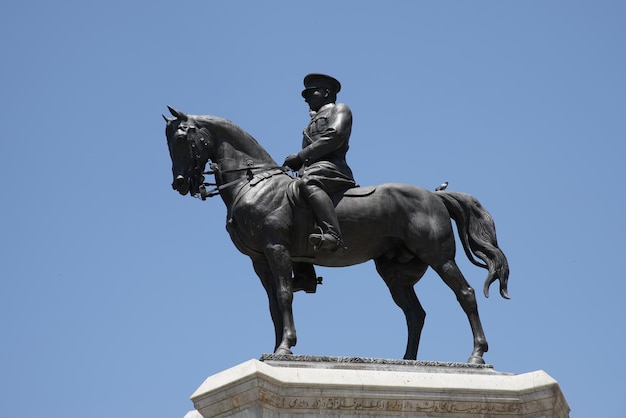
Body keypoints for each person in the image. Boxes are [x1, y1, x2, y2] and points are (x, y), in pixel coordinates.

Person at [283, 73, 357, 252]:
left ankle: (332, 234)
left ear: (326, 92)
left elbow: (335, 136)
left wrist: (300, 156)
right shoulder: (312, 121)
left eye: (311, 93)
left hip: (333, 168)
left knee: (309, 182)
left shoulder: (340, 110)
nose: (306, 98)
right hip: (313, 169)